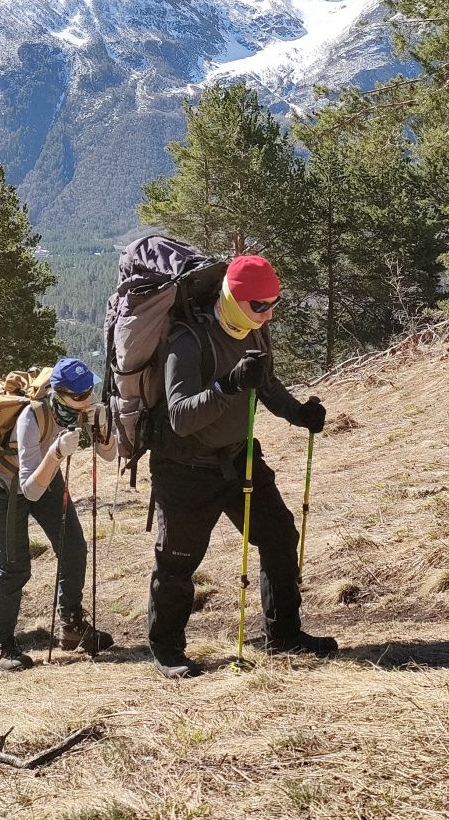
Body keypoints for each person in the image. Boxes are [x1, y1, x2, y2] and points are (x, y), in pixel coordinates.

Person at [147, 253, 335, 678]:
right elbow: (181, 417)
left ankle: (284, 634)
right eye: (259, 306)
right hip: (184, 469)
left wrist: (299, 414)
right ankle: (166, 650)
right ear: (234, 298)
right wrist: (228, 385)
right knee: (178, 560)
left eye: (273, 305)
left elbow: (264, 382)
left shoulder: (255, 331)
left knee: (280, 536)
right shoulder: (187, 339)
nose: (267, 314)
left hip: (238, 458)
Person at [0, 357, 118, 672]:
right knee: (14, 567)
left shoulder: (85, 411)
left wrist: (104, 429)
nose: (88, 399)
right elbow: (29, 490)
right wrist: (56, 452)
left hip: (45, 475)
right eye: (80, 395)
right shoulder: (33, 416)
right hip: (5, 485)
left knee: (73, 547)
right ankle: (1, 647)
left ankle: (71, 628)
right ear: (59, 393)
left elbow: (110, 456)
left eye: (91, 392)